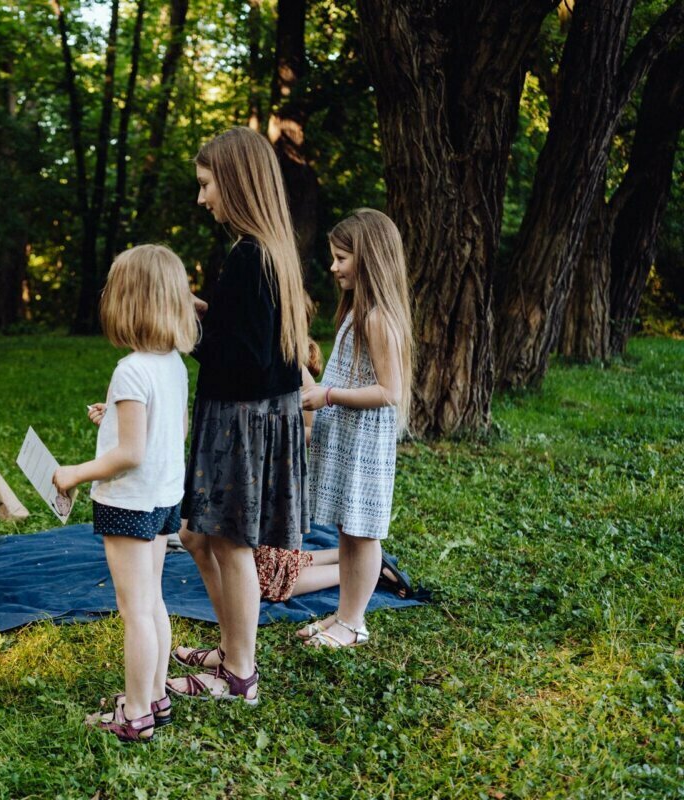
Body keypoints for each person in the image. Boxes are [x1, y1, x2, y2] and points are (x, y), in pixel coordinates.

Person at [167, 127, 313, 704]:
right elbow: (250, 336)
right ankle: (232, 647)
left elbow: (240, 362)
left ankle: (239, 675)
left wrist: (185, 330)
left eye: (206, 184)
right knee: (198, 537)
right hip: (254, 420)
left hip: (241, 425)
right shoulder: (264, 251)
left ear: (235, 180)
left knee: (229, 544)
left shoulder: (252, 255)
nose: (202, 198)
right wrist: (208, 310)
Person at [52, 244, 198, 743]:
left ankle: (135, 714)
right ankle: (155, 696)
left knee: (134, 608)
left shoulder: (131, 369)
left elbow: (129, 454)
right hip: (162, 501)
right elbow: (171, 431)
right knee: (151, 599)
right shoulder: (173, 362)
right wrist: (112, 417)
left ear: (126, 301)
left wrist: (74, 472)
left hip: (128, 502)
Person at [297, 208, 413, 648]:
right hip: (348, 437)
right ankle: (343, 613)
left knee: (363, 534)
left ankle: (354, 623)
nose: (333, 267)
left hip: (365, 442)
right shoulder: (356, 312)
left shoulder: (379, 318)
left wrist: (327, 396)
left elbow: (389, 391)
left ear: (370, 258)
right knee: (348, 531)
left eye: (342, 257)